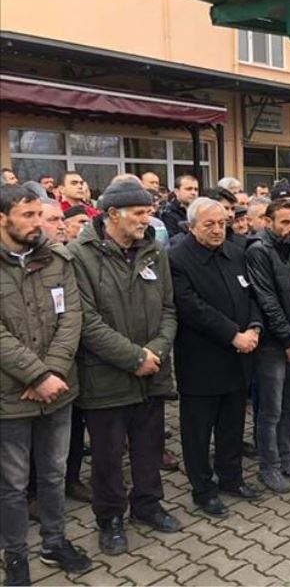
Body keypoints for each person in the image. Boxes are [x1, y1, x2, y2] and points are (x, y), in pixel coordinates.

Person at [69, 179, 181, 555]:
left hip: (152, 371)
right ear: (113, 214)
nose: (146, 218)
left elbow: (169, 309)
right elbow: (86, 322)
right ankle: (110, 518)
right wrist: (134, 358)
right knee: (108, 455)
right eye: (139, 212)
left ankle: (148, 505)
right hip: (106, 377)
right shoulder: (79, 255)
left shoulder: (154, 251)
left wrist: (155, 351)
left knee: (149, 446)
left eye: (148, 211)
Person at [0, 185, 92, 584]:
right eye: (28, 215)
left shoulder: (57, 258)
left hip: (57, 391)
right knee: (13, 484)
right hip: (10, 397)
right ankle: (15, 555)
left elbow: (72, 318)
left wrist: (51, 373)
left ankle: (54, 543)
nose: (38, 223)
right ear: (2, 219)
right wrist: (36, 375)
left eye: (40, 214)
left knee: (54, 474)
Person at [169, 198, 263, 518]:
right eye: (208, 224)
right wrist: (233, 335)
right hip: (202, 362)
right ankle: (203, 490)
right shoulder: (177, 259)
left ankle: (231, 477)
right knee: (197, 432)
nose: (217, 230)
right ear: (191, 226)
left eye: (222, 223)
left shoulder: (235, 253)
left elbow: (251, 295)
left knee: (232, 425)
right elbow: (192, 308)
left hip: (238, 357)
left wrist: (254, 326)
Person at [245, 199, 290, 493]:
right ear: (268, 222)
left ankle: (288, 458)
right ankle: (270, 466)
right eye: (284, 222)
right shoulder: (258, 251)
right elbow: (267, 300)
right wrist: (289, 341)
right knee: (271, 410)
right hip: (274, 345)